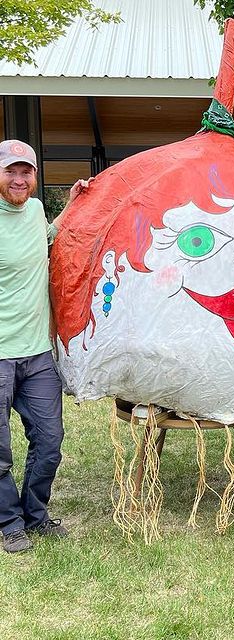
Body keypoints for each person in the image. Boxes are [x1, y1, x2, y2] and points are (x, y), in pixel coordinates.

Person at [0, 139, 92, 553]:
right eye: (10, 171)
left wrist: (71, 206)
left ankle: (35, 515)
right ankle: (9, 522)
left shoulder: (35, 210)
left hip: (37, 352)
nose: (19, 179)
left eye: (26, 172)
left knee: (49, 442)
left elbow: (48, 238)